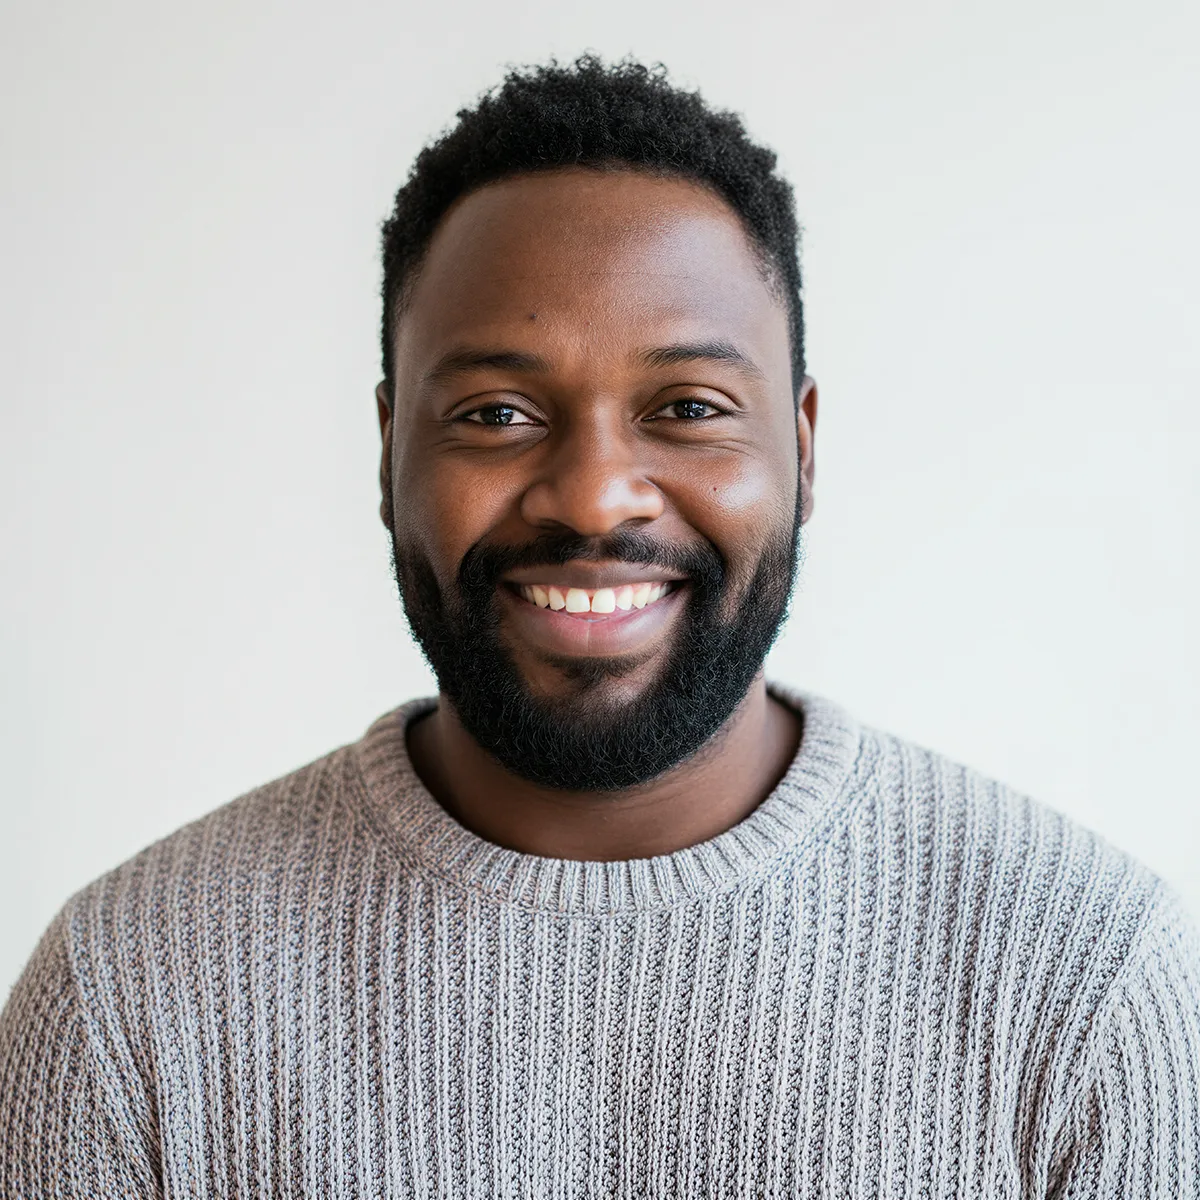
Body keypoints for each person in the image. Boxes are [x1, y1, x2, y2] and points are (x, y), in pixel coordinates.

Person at [2, 55, 1198, 1198]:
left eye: (687, 407)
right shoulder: (131, 1003)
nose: (591, 493)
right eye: (499, 411)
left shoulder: (1086, 984)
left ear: (804, 444)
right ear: (387, 451)